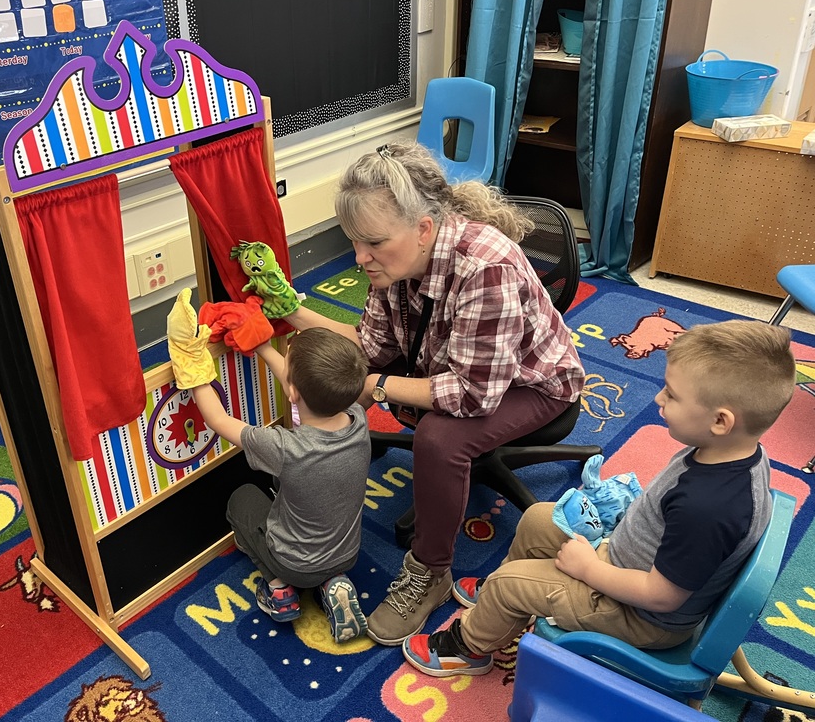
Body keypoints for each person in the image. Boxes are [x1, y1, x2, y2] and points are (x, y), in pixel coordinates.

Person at [261, 140, 586, 646]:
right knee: (355, 371)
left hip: (533, 385)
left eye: (373, 242)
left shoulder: (487, 267)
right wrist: (288, 312)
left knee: (439, 438)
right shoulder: (393, 261)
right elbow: (370, 346)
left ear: (424, 228)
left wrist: (376, 387)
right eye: (354, 242)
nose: (360, 258)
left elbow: (473, 396)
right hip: (454, 366)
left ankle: (430, 572)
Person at [401, 319, 796, 677]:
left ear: (720, 421)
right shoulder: (733, 451)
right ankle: (501, 605)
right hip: (627, 564)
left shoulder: (707, 508)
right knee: (538, 518)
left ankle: (467, 648)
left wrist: (589, 569)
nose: (658, 399)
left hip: (640, 616)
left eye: (672, 395)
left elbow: (662, 597)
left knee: (509, 584)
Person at [167, 293, 372, 642]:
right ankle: (332, 583)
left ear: (292, 391)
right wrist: (261, 344)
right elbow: (300, 389)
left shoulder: (284, 447)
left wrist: (192, 367)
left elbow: (218, 420)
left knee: (243, 498)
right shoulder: (358, 418)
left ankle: (279, 589)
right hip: (347, 555)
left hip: (294, 565)